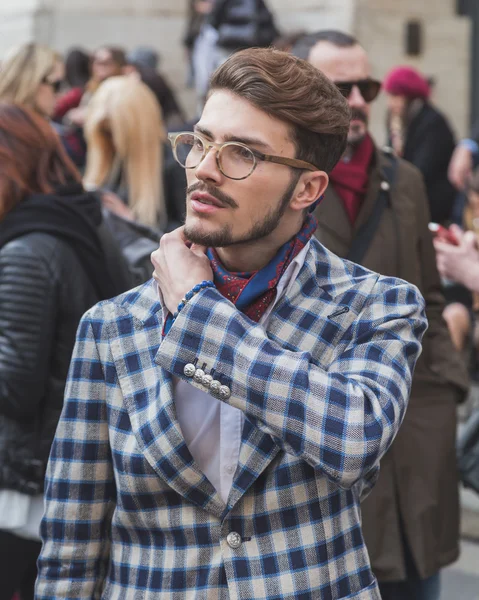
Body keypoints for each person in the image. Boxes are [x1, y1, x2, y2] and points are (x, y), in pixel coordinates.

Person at [36, 47, 427, 599]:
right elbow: (72, 547)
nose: (204, 168)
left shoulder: (375, 303)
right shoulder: (112, 325)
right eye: (201, 142)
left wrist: (197, 311)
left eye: (242, 153)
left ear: (308, 189)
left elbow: (353, 436)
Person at [293, 30, 468, 600]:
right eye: (339, 87)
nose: (360, 100)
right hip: (325, 435)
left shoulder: (406, 180)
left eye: (365, 85)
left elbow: (430, 297)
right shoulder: (280, 186)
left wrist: (446, 390)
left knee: (419, 578)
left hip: (415, 426)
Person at [0, 104, 130, 600]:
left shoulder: (26, 250)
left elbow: (16, 387)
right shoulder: (79, 219)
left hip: (24, 490)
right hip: (62, 473)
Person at [83, 76, 167, 229]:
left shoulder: (171, 166)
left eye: (114, 133)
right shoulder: (107, 157)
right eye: (106, 133)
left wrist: (131, 222)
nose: (112, 142)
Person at [383, 65, 456, 224]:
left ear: (410, 97)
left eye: (396, 96)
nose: (391, 103)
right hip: (409, 203)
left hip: (432, 208)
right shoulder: (400, 121)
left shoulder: (433, 122)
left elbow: (420, 171)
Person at [0, 42, 64, 119]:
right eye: (57, 85)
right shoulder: (15, 127)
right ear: (33, 82)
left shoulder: (36, 125)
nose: (61, 95)